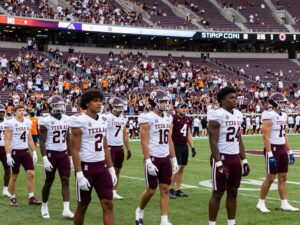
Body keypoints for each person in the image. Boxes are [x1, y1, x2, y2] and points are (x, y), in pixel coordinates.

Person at [70, 89, 117, 225]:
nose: (99, 104)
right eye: (95, 101)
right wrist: (79, 175)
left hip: (101, 167)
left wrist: (111, 169)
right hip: (86, 169)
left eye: (100, 101)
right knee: (83, 204)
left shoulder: (103, 120)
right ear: (87, 103)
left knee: (108, 203)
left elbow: (105, 146)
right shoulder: (79, 121)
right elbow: (75, 150)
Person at [208, 87, 250, 225]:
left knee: (233, 192)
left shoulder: (238, 114)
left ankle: (231, 223)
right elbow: (213, 140)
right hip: (222, 157)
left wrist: (244, 160)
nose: (235, 100)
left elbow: (239, 139)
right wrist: (219, 163)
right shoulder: (216, 114)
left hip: (234, 158)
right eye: (231, 97)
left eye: (235, 97)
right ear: (222, 100)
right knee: (218, 193)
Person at [135, 89, 178, 225]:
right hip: (153, 157)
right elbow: (144, 141)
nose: (165, 104)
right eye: (162, 102)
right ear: (154, 102)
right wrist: (148, 161)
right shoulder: (147, 117)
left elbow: (169, 139)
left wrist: (173, 158)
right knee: (151, 189)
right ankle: (140, 210)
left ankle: (164, 220)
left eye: (166, 101)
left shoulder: (168, 117)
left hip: (165, 157)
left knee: (165, 189)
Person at [256, 93, 299, 212]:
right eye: (282, 102)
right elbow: (265, 136)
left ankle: (284, 203)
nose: (284, 105)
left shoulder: (284, 115)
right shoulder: (269, 115)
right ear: (274, 103)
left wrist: (289, 151)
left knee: (283, 177)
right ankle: (261, 202)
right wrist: (269, 154)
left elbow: (284, 136)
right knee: (270, 177)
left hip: (282, 149)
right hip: (273, 148)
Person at [39, 95, 74, 219]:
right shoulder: (45, 120)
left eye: (61, 106)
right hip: (51, 154)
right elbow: (42, 141)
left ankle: (66, 209)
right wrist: (44, 158)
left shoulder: (67, 119)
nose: (60, 108)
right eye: (57, 106)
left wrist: (70, 157)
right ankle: (44, 206)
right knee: (48, 182)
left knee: (65, 180)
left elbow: (68, 139)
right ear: (50, 107)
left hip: (63, 154)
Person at [4, 104, 41, 207]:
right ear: (15, 112)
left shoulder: (28, 122)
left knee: (31, 173)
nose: (21, 112)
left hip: (25, 151)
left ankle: (31, 197)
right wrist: (8, 155)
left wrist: (34, 151)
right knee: (14, 176)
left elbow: (29, 138)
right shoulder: (10, 122)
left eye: (22, 110)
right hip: (15, 152)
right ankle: (13, 197)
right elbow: (7, 140)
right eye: (19, 110)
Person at [106, 97, 132, 200]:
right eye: (117, 107)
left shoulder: (123, 118)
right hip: (110, 147)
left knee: (117, 170)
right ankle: (107, 191)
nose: (119, 109)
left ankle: (114, 191)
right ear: (112, 107)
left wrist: (128, 148)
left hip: (119, 147)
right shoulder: (106, 117)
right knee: (109, 171)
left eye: (120, 107)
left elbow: (125, 134)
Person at [169, 102, 196, 198]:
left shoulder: (188, 119)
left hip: (184, 146)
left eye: (185, 107)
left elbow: (188, 134)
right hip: (175, 145)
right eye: (182, 107)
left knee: (182, 169)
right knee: (176, 168)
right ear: (177, 109)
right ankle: (170, 189)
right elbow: (169, 133)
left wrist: (192, 147)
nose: (184, 109)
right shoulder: (173, 118)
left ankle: (178, 189)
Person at [0, 104, 10, 197]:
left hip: (5, 147)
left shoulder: (8, 122)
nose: (2, 113)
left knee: (8, 168)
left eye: (3, 112)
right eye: (0, 112)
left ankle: (5, 189)